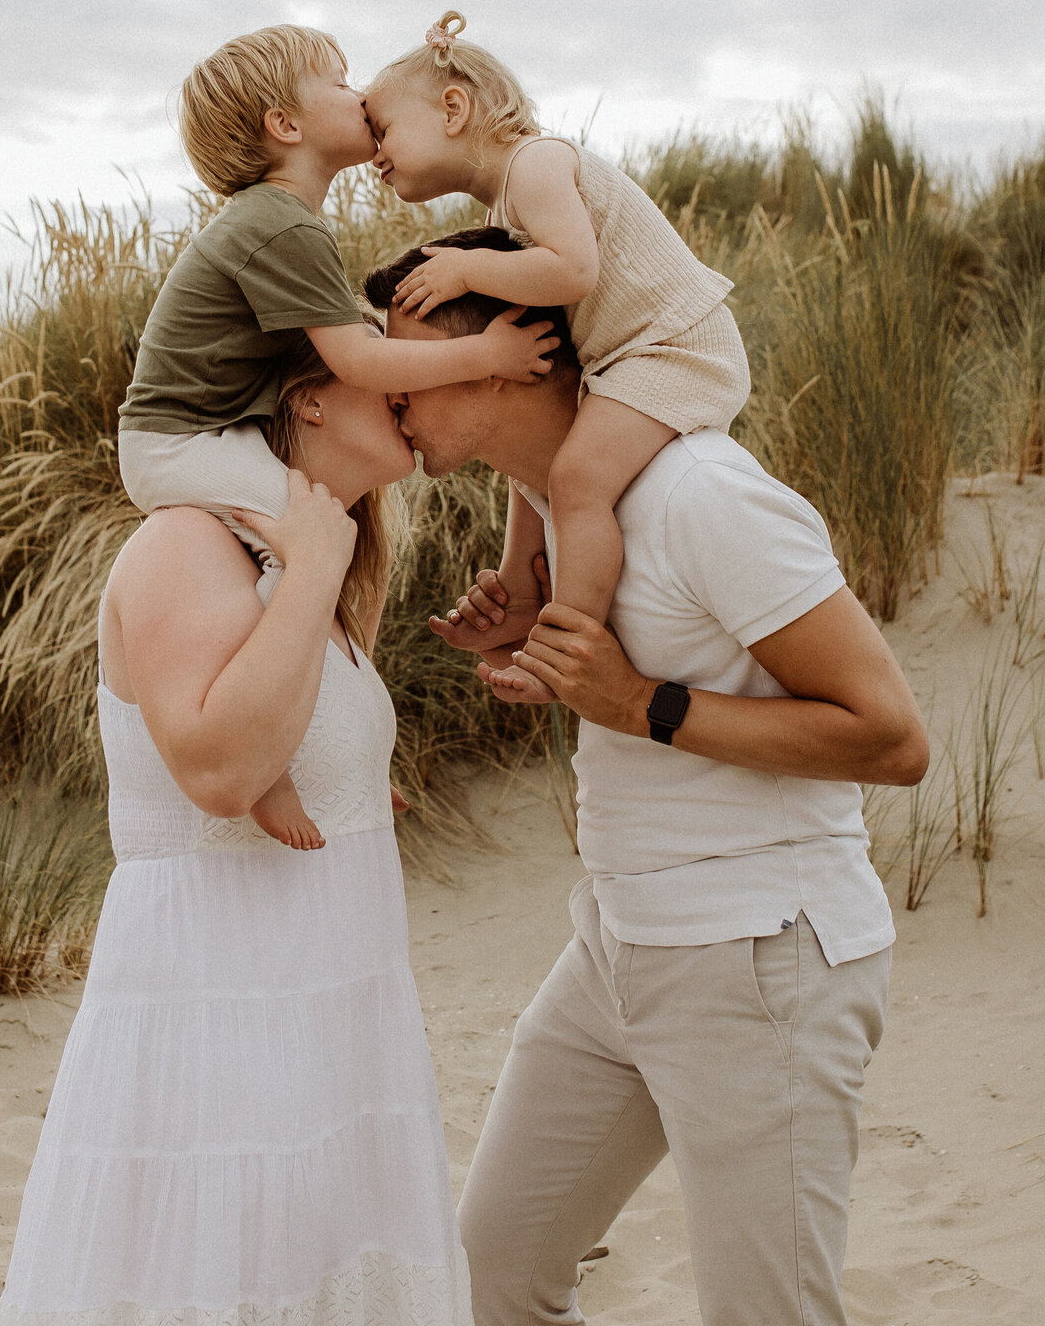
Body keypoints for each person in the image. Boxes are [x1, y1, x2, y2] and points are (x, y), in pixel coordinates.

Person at [362, 230, 929, 1326]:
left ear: (509, 354)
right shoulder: (555, 524)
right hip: (616, 950)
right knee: (492, 1276)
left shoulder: (700, 495)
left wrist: (645, 706)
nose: (388, 386)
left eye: (406, 354)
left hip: (761, 958)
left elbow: (891, 737)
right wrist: (560, 675)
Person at [0, 339, 473, 1326]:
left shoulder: (311, 558)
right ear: (308, 399)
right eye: (376, 363)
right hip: (222, 1046)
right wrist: (318, 564)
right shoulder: (184, 545)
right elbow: (218, 770)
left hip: (329, 1039)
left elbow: (292, 740)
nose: (408, 379)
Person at [118, 23, 556, 850]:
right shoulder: (279, 225)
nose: (360, 96)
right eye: (339, 80)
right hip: (181, 443)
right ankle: (270, 768)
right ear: (285, 125)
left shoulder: (283, 225)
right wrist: (490, 350)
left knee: (312, 548)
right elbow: (358, 359)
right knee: (300, 544)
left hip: (196, 439)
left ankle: (325, 743)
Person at [366, 11, 750, 704]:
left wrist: (466, 274)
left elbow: (573, 270)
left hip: (676, 347)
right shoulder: (500, 212)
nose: (373, 154)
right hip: (627, 356)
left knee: (576, 477)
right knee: (537, 464)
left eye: (382, 130)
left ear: (454, 108)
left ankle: (568, 648)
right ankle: (520, 587)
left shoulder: (536, 163)